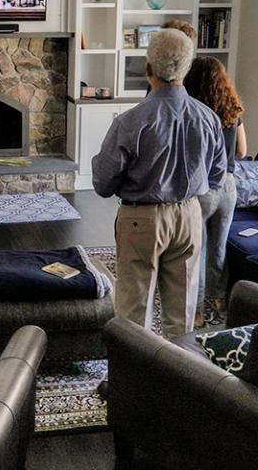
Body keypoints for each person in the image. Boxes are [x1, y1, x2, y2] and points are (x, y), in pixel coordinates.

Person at [92, 29, 227, 339]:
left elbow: (102, 183)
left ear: (148, 68)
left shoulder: (130, 121)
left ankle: (132, 384)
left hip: (143, 218)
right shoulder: (208, 118)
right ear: (187, 68)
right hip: (190, 215)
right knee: (182, 314)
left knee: (133, 311)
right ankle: (178, 382)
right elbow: (217, 176)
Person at [184, 57, 247, 325]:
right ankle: (218, 304)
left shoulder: (194, 112)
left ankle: (196, 313)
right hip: (229, 188)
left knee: (196, 252)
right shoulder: (233, 109)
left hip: (203, 188)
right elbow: (243, 151)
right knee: (218, 250)